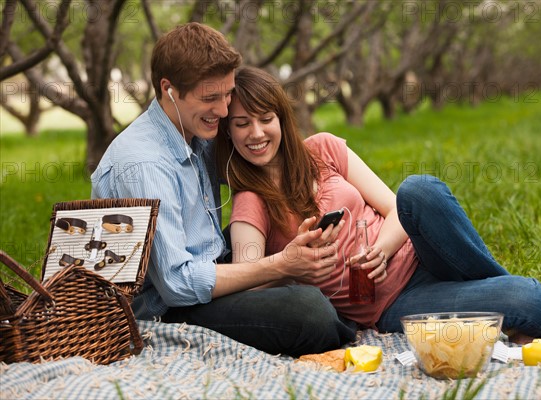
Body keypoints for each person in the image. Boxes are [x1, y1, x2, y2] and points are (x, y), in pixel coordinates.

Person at [216, 66, 541, 342]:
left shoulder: (323, 149)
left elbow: (397, 207)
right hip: (394, 303)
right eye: (241, 123)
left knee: (419, 188)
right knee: (525, 298)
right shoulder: (251, 200)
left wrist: (382, 251)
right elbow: (248, 280)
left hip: (419, 253)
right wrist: (292, 269)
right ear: (228, 131)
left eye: (265, 119)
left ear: (282, 119)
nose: (256, 133)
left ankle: (495, 290)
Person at [91, 23, 356, 357]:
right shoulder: (145, 165)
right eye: (210, 98)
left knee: (291, 260)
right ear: (168, 89)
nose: (224, 109)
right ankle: (343, 322)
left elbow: (261, 164)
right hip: (167, 309)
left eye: (227, 93)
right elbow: (177, 285)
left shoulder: (197, 131)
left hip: (212, 264)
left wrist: (333, 166)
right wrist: (280, 266)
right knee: (307, 310)